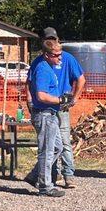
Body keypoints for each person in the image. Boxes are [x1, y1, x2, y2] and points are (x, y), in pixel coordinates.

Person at [25, 27, 86, 189]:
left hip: (60, 106)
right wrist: (30, 101)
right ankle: (46, 181)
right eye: (48, 39)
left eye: (54, 38)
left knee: (61, 143)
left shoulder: (66, 58)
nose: (59, 57)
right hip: (46, 108)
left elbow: (81, 79)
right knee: (48, 146)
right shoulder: (41, 65)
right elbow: (35, 90)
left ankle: (67, 174)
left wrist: (74, 98)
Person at [30, 40, 71, 197]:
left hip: (51, 115)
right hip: (45, 114)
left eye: (61, 55)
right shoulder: (42, 69)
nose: (60, 59)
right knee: (46, 151)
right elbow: (41, 96)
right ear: (47, 55)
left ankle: (35, 175)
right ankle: (45, 186)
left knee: (57, 148)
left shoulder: (48, 67)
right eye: (56, 56)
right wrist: (60, 100)